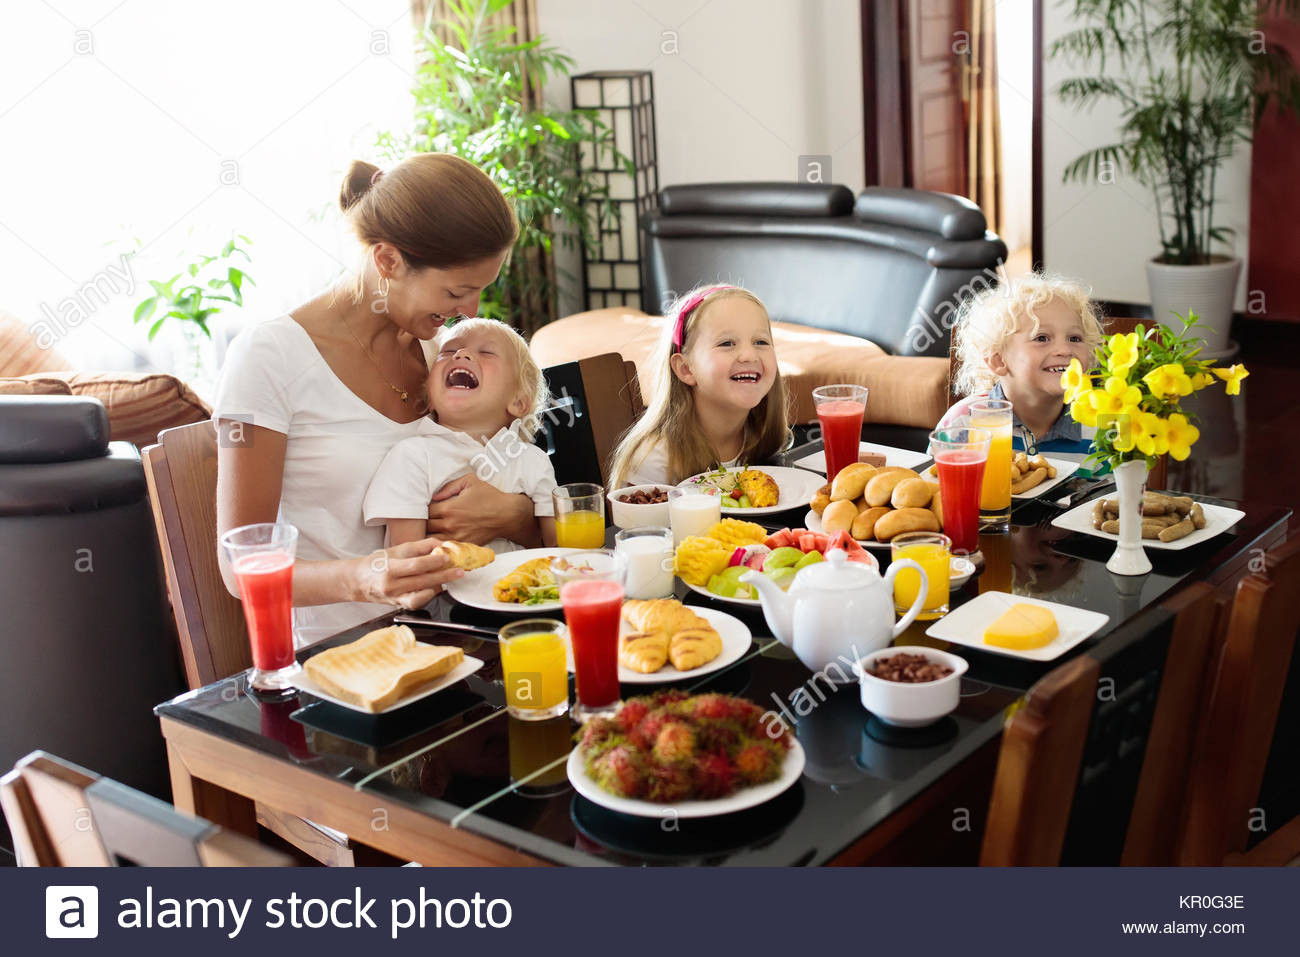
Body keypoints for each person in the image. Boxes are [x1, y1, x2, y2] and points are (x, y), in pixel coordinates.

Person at [214, 153, 541, 646]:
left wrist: (514, 515)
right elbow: (240, 568)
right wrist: (366, 577)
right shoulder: (268, 358)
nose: (468, 313)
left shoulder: (439, 353)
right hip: (344, 659)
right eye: (457, 291)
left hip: (457, 636)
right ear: (388, 260)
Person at [362, 317, 558, 551]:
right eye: (449, 351)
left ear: (518, 402)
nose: (461, 354)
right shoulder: (411, 457)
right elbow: (407, 560)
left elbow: (557, 549)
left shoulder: (534, 461)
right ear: (430, 397)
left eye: (486, 352)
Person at [609, 285, 790, 487]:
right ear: (686, 369)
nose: (749, 355)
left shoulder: (762, 437)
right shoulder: (655, 460)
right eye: (727, 343)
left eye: (761, 341)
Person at [939, 272, 1104, 455]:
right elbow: (935, 482)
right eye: (1042, 338)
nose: (1065, 350)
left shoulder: (1101, 425)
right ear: (998, 360)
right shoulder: (963, 423)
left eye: (1074, 338)